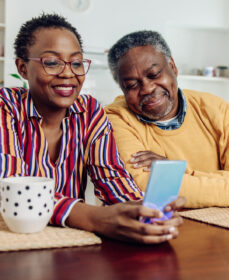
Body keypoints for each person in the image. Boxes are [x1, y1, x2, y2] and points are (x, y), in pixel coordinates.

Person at [0, 15, 184, 244]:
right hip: (12, 242)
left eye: (76, 63)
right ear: (23, 68)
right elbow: (15, 188)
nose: (68, 73)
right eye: (52, 62)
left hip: (67, 242)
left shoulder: (89, 111)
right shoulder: (5, 107)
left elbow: (112, 178)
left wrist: (144, 212)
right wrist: (94, 218)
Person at [105, 30, 229, 209]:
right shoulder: (115, 119)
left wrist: (185, 173)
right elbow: (150, 190)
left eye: (154, 75)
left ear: (173, 67)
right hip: (161, 229)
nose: (147, 88)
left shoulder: (214, 108)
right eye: (131, 85)